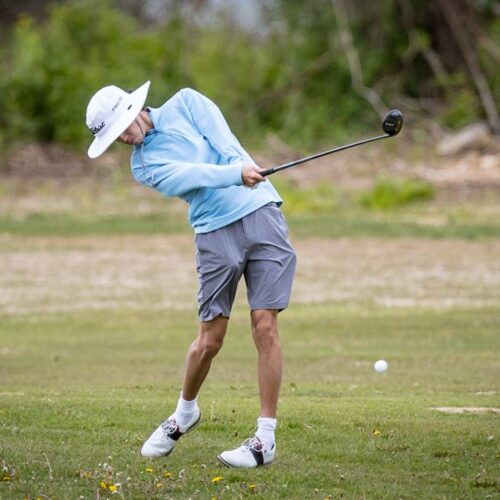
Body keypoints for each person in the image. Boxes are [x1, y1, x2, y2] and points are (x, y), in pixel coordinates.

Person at [85, 81, 296, 468]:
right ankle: (184, 413)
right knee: (210, 340)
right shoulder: (143, 166)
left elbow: (223, 140)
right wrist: (235, 174)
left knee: (265, 326)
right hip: (215, 232)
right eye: (115, 137)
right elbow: (192, 174)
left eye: (122, 127)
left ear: (135, 109)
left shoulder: (188, 101)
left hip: (262, 211)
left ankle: (265, 440)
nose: (123, 138)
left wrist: (242, 169)